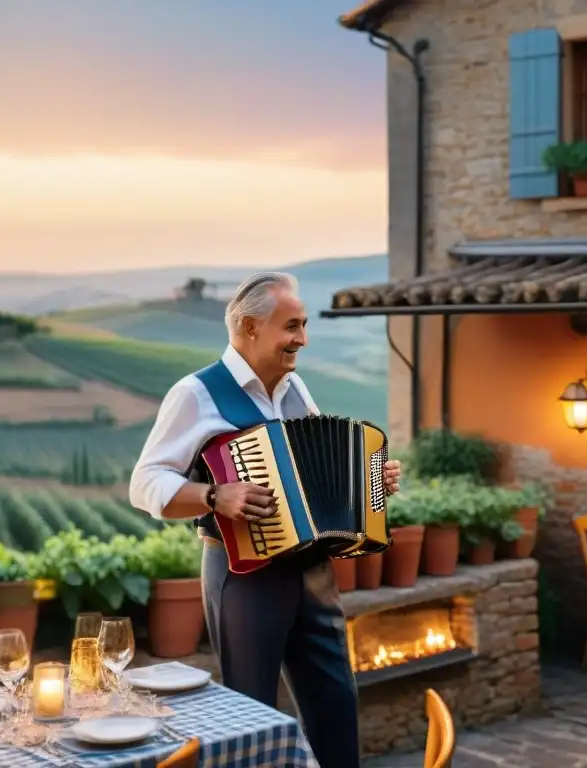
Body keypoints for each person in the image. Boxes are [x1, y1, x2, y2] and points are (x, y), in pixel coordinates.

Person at [129, 271, 402, 767]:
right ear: (251, 328)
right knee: (251, 713)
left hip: (313, 571)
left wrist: (374, 478)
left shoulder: (294, 388)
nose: (302, 339)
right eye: (291, 326)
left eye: (302, 325)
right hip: (243, 576)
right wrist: (214, 495)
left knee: (336, 704)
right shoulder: (196, 394)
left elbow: (323, 472)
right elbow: (144, 483)